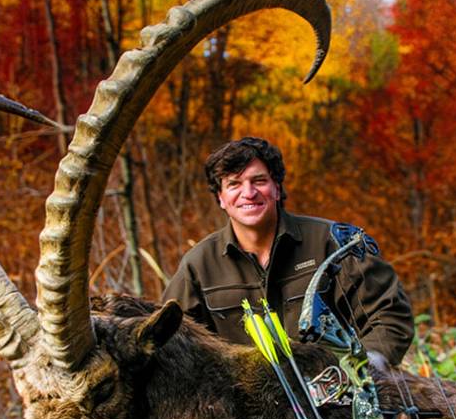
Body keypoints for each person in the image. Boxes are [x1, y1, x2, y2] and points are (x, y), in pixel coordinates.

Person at [162, 137, 415, 366]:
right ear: (220, 197)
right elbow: (170, 342)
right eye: (234, 184)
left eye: (259, 181)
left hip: (335, 392)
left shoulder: (333, 244)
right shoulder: (199, 265)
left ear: (277, 188)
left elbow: (389, 314)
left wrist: (366, 367)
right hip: (242, 401)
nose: (248, 193)